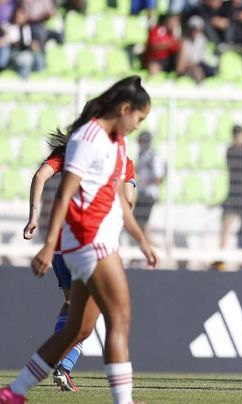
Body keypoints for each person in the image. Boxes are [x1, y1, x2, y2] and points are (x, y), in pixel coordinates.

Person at [0, 76, 157, 404]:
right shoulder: (87, 138)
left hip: (96, 241)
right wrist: (48, 241)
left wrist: (141, 238)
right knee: (119, 318)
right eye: (138, 119)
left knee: (78, 329)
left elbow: (117, 199)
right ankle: (123, 401)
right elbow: (65, 192)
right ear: (125, 109)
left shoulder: (117, 143)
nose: (137, 127)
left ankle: (13, 393)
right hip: (90, 240)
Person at [21, 139, 137, 393]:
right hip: (89, 242)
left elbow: (40, 176)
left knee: (73, 303)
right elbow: (128, 203)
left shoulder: (69, 151)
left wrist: (33, 217)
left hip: (61, 241)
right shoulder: (120, 160)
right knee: (99, 313)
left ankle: (33, 379)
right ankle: (61, 368)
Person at [218, 125, 242, 268]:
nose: (239, 138)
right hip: (234, 193)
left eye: (240, 135)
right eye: (236, 136)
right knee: (226, 223)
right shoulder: (231, 151)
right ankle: (221, 257)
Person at [134, 131, 164, 241]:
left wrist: (144, 183)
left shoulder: (153, 156)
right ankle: (146, 243)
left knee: (142, 221)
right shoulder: (141, 155)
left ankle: (148, 244)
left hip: (149, 193)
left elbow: (159, 178)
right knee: (139, 221)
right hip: (142, 192)